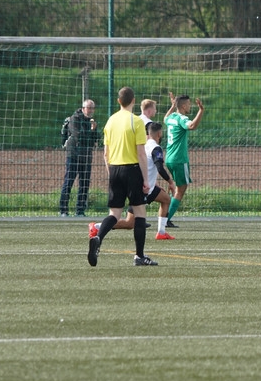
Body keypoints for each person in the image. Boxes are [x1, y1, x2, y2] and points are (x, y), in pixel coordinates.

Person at [87, 86, 157, 267]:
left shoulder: (110, 121)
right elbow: (141, 153)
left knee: (114, 214)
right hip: (132, 170)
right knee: (140, 213)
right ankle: (139, 256)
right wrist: (146, 179)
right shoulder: (136, 122)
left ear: (119, 101)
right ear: (133, 101)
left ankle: (98, 238)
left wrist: (111, 173)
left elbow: (105, 153)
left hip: (115, 169)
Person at [90, 122, 178, 240]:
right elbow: (160, 168)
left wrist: (154, 183)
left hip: (146, 185)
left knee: (166, 199)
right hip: (143, 189)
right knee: (129, 223)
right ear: (159, 134)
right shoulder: (156, 148)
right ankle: (96, 226)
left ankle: (161, 233)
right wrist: (170, 182)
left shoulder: (143, 146)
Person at [164, 92, 205, 227]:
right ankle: (165, 219)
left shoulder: (171, 117)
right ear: (182, 106)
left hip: (169, 158)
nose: (190, 106)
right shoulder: (182, 118)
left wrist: (172, 106)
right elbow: (192, 126)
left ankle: (165, 216)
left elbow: (165, 118)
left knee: (177, 188)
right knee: (181, 190)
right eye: (188, 104)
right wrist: (201, 111)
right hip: (179, 159)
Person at [58, 99, 98, 217]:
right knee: (68, 182)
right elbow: (78, 136)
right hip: (74, 155)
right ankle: (63, 210)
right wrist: (91, 132)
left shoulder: (92, 122)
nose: (90, 110)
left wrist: (93, 131)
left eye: (92, 108)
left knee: (84, 184)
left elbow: (96, 139)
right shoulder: (74, 119)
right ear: (83, 108)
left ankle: (80, 210)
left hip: (86, 156)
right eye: (89, 108)